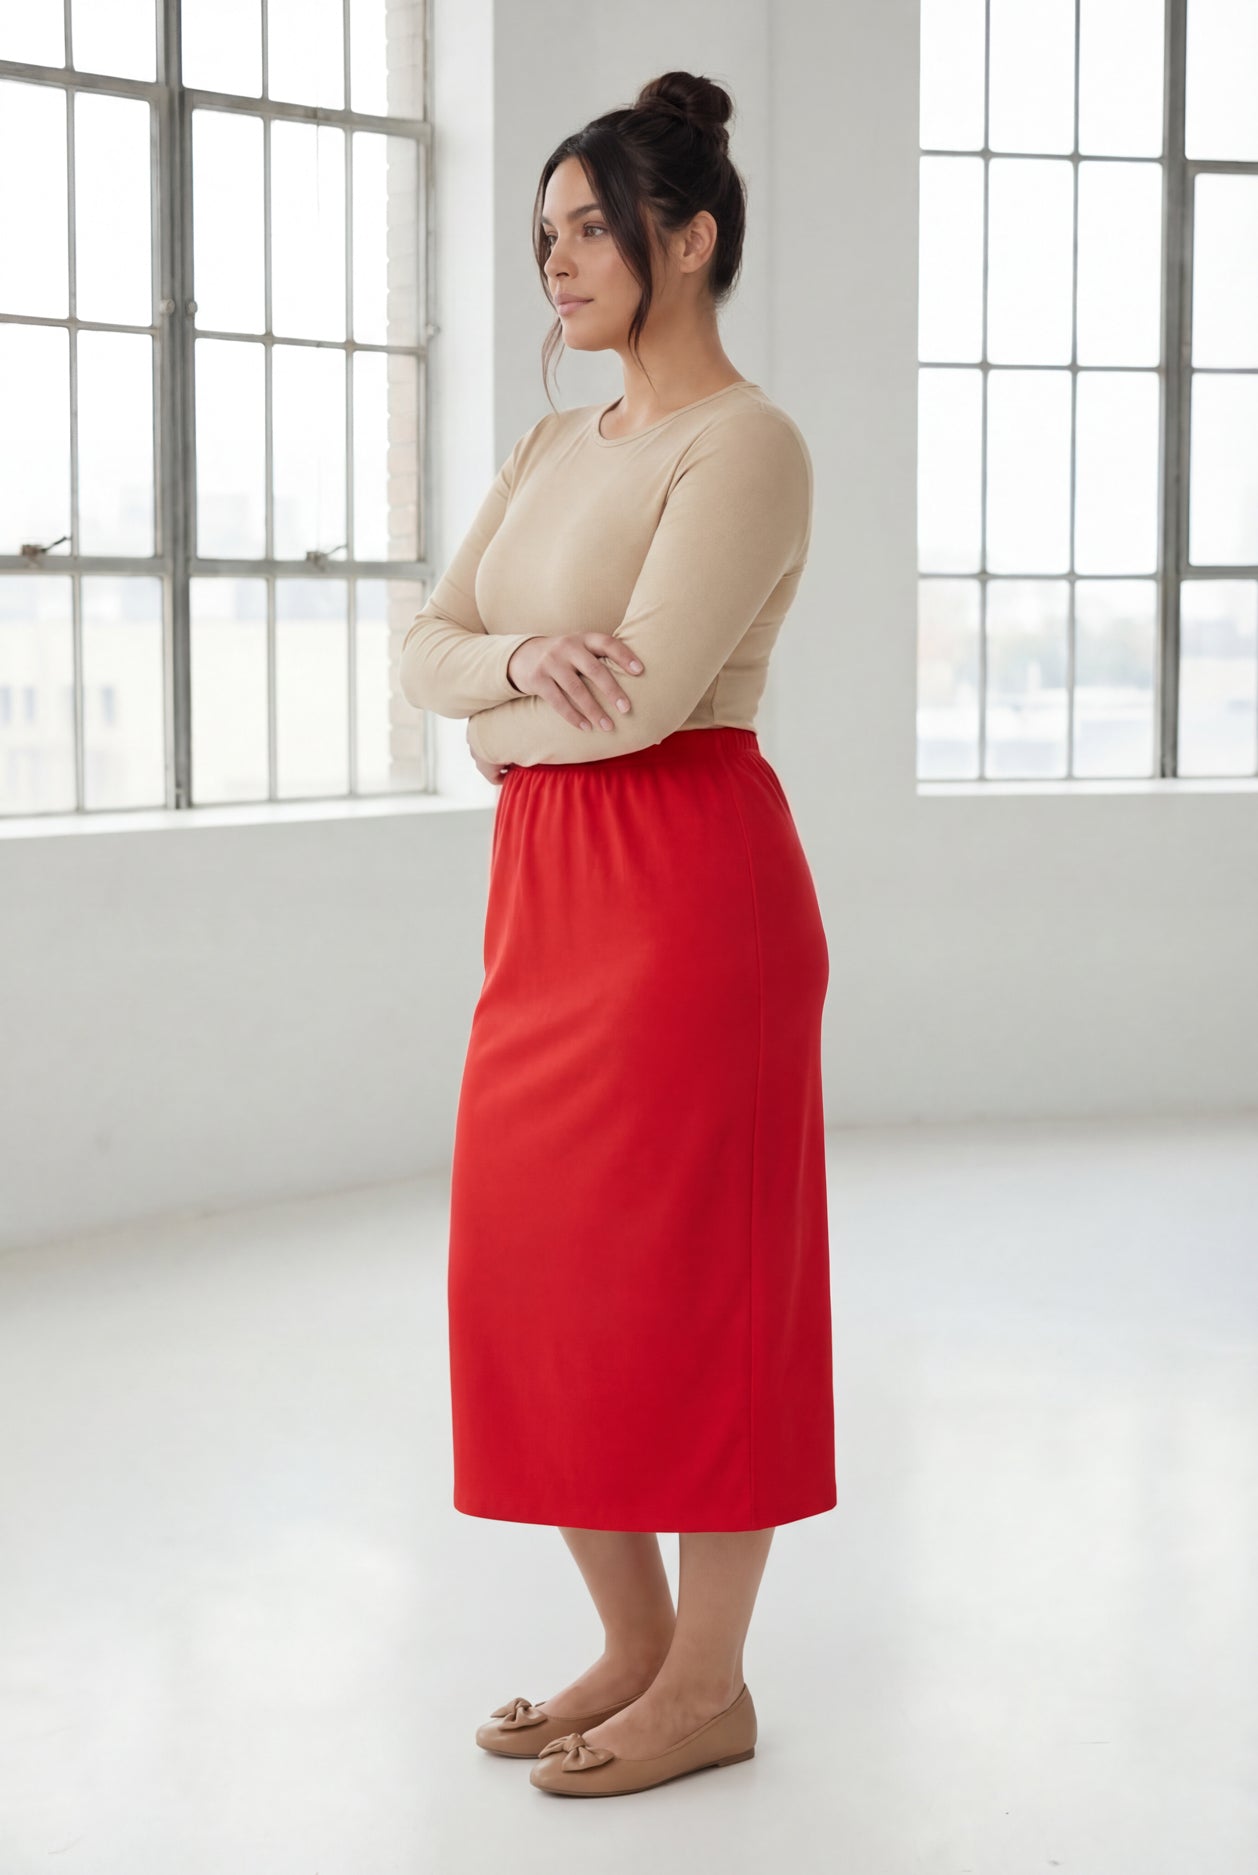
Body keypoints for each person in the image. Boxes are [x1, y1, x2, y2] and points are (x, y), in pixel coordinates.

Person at [399, 69, 836, 1799]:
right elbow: (427, 644)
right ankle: (635, 1642)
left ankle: (710, 1684)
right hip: (548, 897)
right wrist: (511, 675)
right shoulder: (549, 446)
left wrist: (494, 716)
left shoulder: (750, 444)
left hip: (685, 899)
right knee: (533, 1264)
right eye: (546, 234)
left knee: (702, 1285)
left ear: (692, 236)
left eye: (592, 229)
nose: (558, 261)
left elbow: (646, 701)